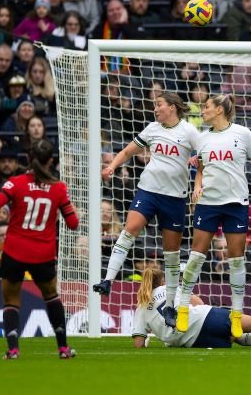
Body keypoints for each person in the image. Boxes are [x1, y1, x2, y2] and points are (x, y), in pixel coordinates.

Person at [0, 139, 79, 360]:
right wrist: (68, 209)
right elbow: (73, 224)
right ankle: (63, 349)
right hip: (43, 254)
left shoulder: (15, 183)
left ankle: (13, 350)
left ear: (29, 158)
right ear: (51, 161)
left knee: (11, 301)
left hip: (15, 252)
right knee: (51, 297)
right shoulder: (59, 188)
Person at [93, 92, 199, 330]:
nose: (155, 108)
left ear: (172, 107)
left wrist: (198, 173)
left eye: (159, 104)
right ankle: (108, 280)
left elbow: (203, 155)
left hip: (175, 198)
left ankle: (170, 305)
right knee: (130, 228)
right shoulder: (152, 128)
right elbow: (128, 151)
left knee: (171, 253)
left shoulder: (189, 132)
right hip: (148, 190)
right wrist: (111, 166)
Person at [176, 94, 251, 339]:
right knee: (196, 256)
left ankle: (237, 315)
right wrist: (197, 185)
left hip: (236, 203)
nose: (203, 111)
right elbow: (202, 168)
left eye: (206, 107)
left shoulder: (243, 133)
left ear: (219, 110)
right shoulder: (202, 139)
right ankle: (183, 306)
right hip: (208, 204)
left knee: (236, 260)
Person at [132, 268, 251, 349]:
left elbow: (139, 342)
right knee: (249, 322)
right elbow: (197, 303)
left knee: (236, 338)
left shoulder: (141, 308)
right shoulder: (170, 288)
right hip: (202, 318)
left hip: (191, 341)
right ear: (163, 280)